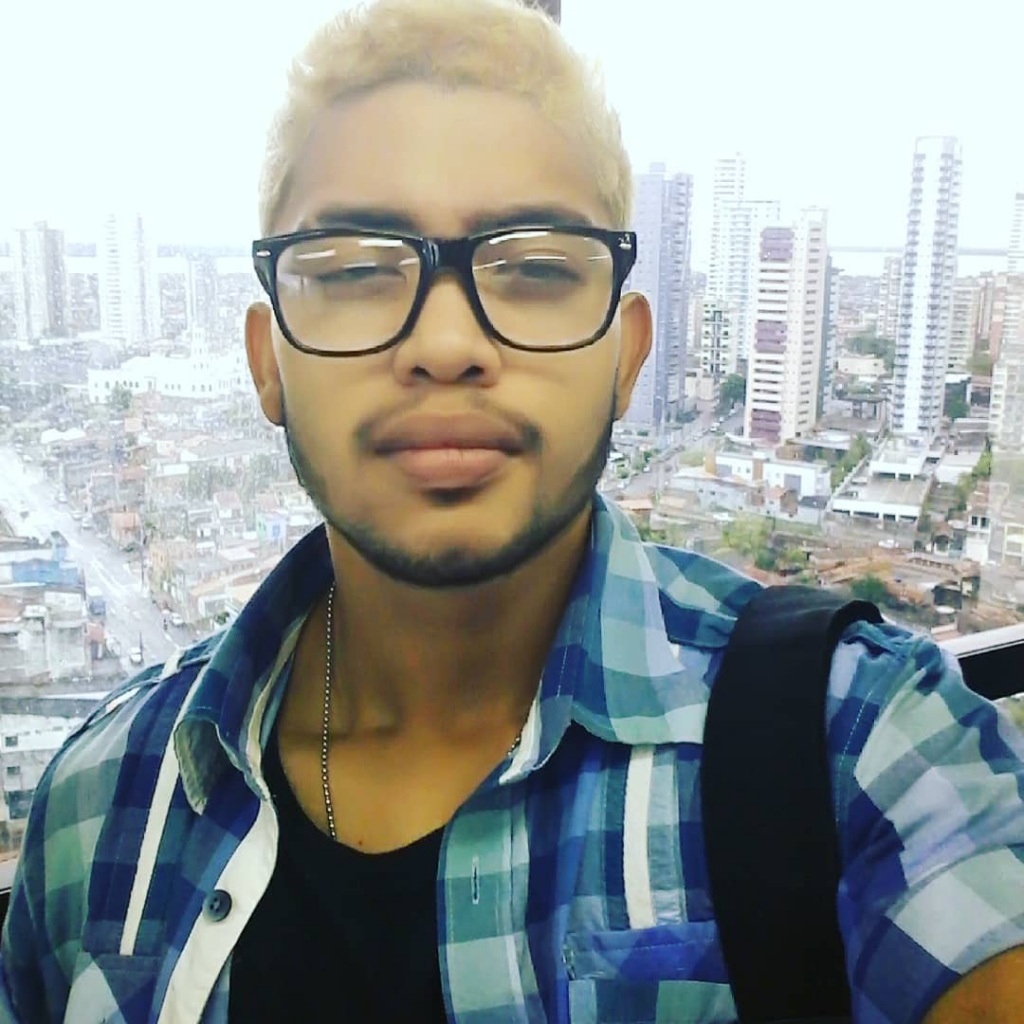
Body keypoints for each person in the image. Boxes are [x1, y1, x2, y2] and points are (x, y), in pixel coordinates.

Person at [3, 1, 1024, 1021]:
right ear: (268, 362)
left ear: (626, 354)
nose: (446, 344)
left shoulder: (859, 747)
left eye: (535, 268)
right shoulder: (102, 805)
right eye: (356, 270)